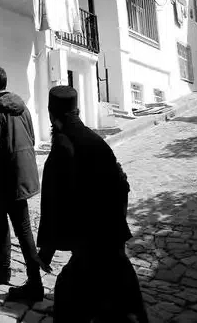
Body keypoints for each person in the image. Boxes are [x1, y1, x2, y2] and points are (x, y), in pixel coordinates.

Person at [36, 86, 149, 322]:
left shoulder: (63, 145)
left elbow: (55, 203)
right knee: (120, 301)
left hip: (92, 243)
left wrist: (46, 252)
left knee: (69, 296)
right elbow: (122, 184)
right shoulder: (95, 140)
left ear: (51, 115)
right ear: (76, 110)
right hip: (112, 238)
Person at [0, 66, 45, 304]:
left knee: (13, 228)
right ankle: (4, 267)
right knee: (15, 225)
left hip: (4, 177)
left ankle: (34, 283)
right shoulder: (22, 107)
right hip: (22, 172)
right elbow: (32, 138)